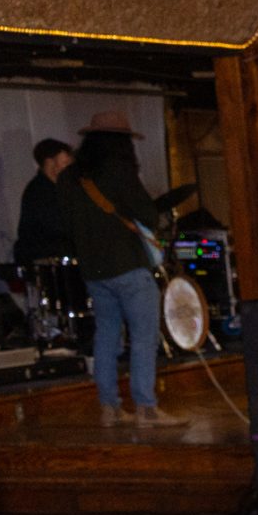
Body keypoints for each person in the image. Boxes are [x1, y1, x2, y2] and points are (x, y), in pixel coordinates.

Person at [59, 112, 173, 427]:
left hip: (94, 271)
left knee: (106, 337)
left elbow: (67, 225)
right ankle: (146, 409)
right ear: (123, 142)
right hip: (128, 266)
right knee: (143, 337)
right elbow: (148, 215)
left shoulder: (69, 177)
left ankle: (109, 408)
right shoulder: (119, 169)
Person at [13, 137, 73, 264]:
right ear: (50, 162)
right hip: (46, 258)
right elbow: (56, 226)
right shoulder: (38, 192)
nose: (70, 167)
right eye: (65, 162)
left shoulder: (56, 188)